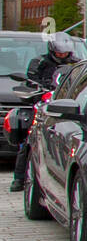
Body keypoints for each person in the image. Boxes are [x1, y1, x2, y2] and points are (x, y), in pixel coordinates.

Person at [10, 32, 76, 192]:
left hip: (67, 103)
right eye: (59, 53)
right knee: (29, 138)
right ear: (52, 50)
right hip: (43, 102)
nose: (62, 55)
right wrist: (38, 89)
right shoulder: (39, 63)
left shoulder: (77, 64)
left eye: (65, 53)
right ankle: (19, 178)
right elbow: (30, 82)